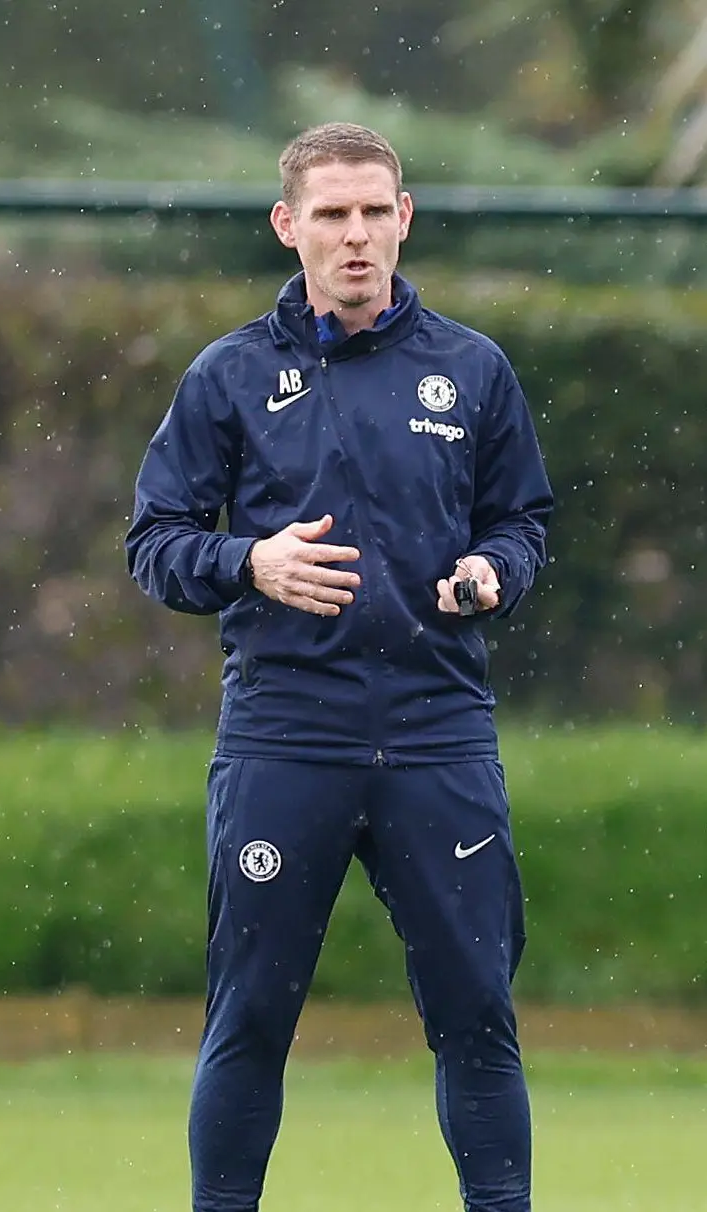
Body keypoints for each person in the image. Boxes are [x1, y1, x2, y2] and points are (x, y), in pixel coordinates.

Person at [125, 122, 553, 1212]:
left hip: (435, 734)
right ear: (288, 227)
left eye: (375, 211)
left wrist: (492, 573)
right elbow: (155, 543)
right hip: (287, 736)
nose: (356, 235)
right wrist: (248, 561)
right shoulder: (229, 375)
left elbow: (521, 525)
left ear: (404, 218)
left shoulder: (473, 369)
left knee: (476, 1017)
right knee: (251, 1018)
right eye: (331, 214)